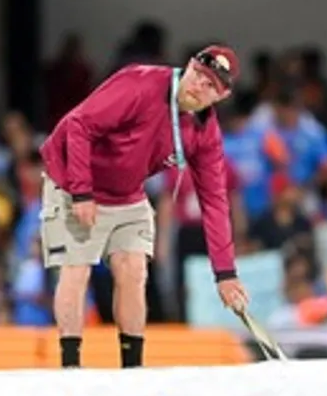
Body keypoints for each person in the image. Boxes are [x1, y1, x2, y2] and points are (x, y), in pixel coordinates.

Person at [39, 45, 250, 368]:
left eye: (210, 86)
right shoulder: (140, 84)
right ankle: (70, 365)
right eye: (198, 75)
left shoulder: (205, 133)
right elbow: (78, 125)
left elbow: (215, 201)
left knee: (134, 269)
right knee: (76, 267)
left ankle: (133, 367)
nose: (198, 86)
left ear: (222, 96)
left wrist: (225, 273)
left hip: (127, 192)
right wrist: (82, 192)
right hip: (72, 179)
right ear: (189, 66)